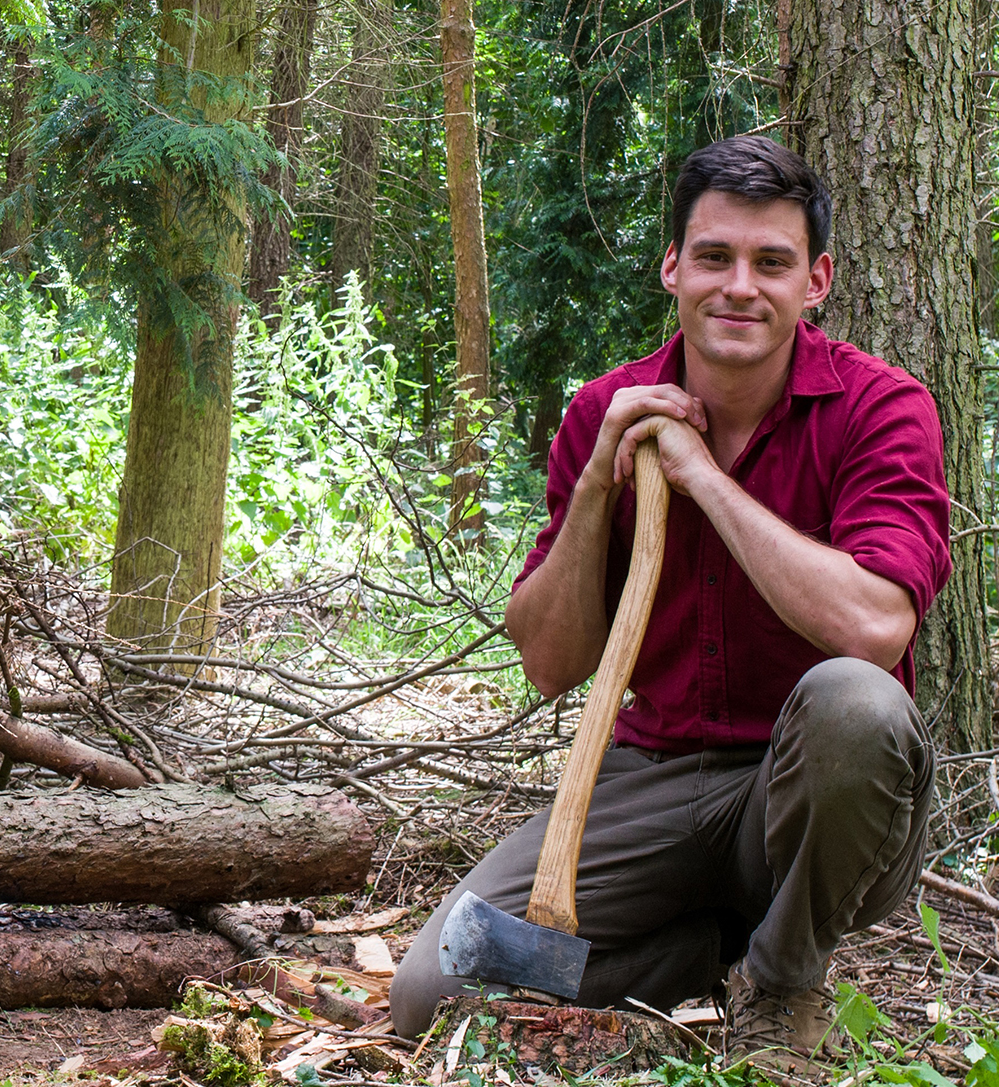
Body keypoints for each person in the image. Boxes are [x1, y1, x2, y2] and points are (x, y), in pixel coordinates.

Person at [384, 135, 952, 1074]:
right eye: (715, 257)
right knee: (435, 990)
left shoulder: (880, 408)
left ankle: (782, 988)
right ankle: (698, 956)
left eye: (771, 263)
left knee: (858, 701)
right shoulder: (607, 410)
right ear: (672, 269)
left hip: (805, 794)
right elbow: (549, 660)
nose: (740, 286)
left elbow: (875, 627)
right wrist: (603, 484)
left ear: (816, 281)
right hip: (650, 784)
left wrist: (704, 479)